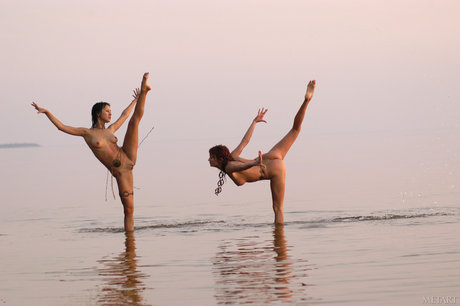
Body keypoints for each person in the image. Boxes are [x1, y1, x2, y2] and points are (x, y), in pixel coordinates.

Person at [31, 72, 151, 231]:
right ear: (98, 113)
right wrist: (47, 112)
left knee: (133, 122)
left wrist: (135, 99)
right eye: (107, 110)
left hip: (127, 156)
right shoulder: (86, 133)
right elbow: (61, 127)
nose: (110, 113)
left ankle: (144, 90)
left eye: (110, 110)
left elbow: (125, 114)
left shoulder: (111, 129)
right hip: (122, 172)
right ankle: (129, 245)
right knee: (128, 211)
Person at [208, 80, 316, 224]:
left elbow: (241, 167)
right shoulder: (233, 155)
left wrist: (255, 162)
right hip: (271, 156)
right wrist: (254, 122)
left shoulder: (228, 167)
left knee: (278, 209)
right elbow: (245, 141)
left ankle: (279, 243)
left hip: (273, 169)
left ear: (219, 159)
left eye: (211, 158)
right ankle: (307, 100)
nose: (209, 160)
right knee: (295, 129)